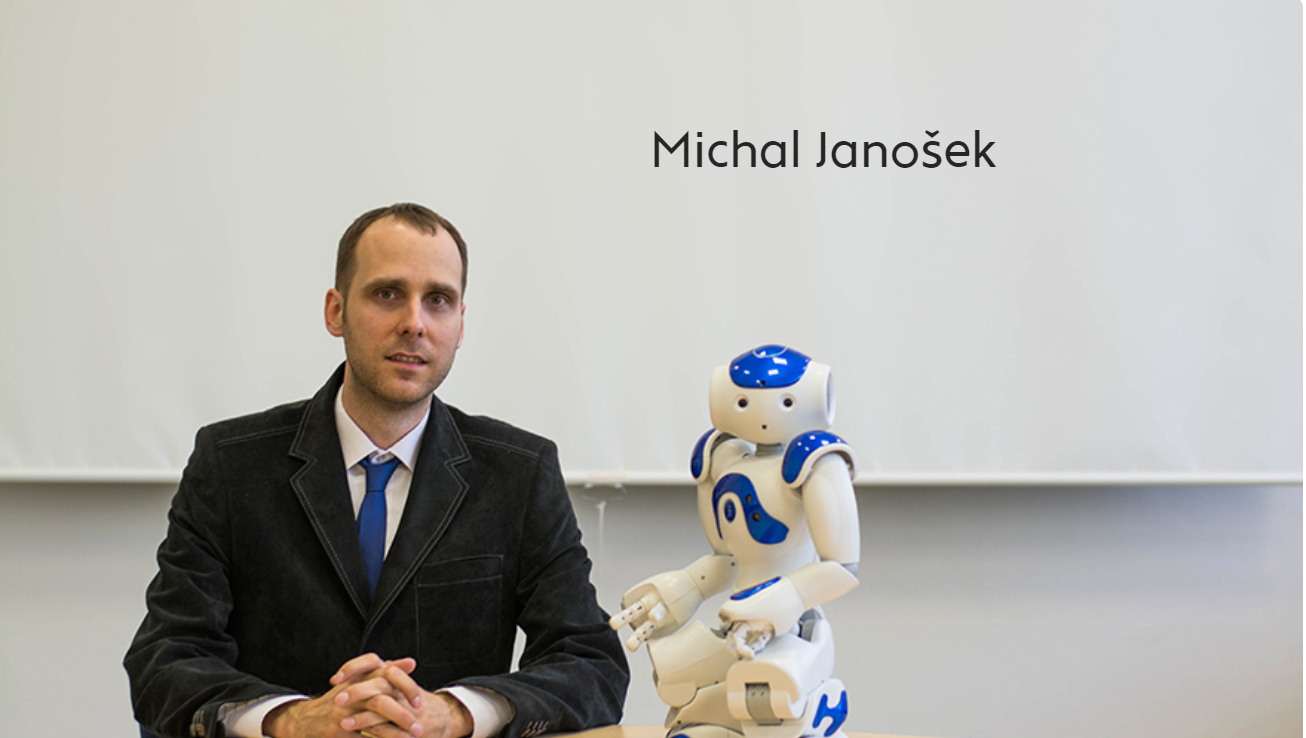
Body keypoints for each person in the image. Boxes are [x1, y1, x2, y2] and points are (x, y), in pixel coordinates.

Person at [125, 204, 629, 738]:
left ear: (460, 325)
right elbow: (165, 658)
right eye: (387, 294)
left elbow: (591, 663)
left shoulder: (519, 474)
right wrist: (291, 720)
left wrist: (455, 713)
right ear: (335, 311)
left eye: (438, 300)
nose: (414, 323)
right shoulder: (231, 463)